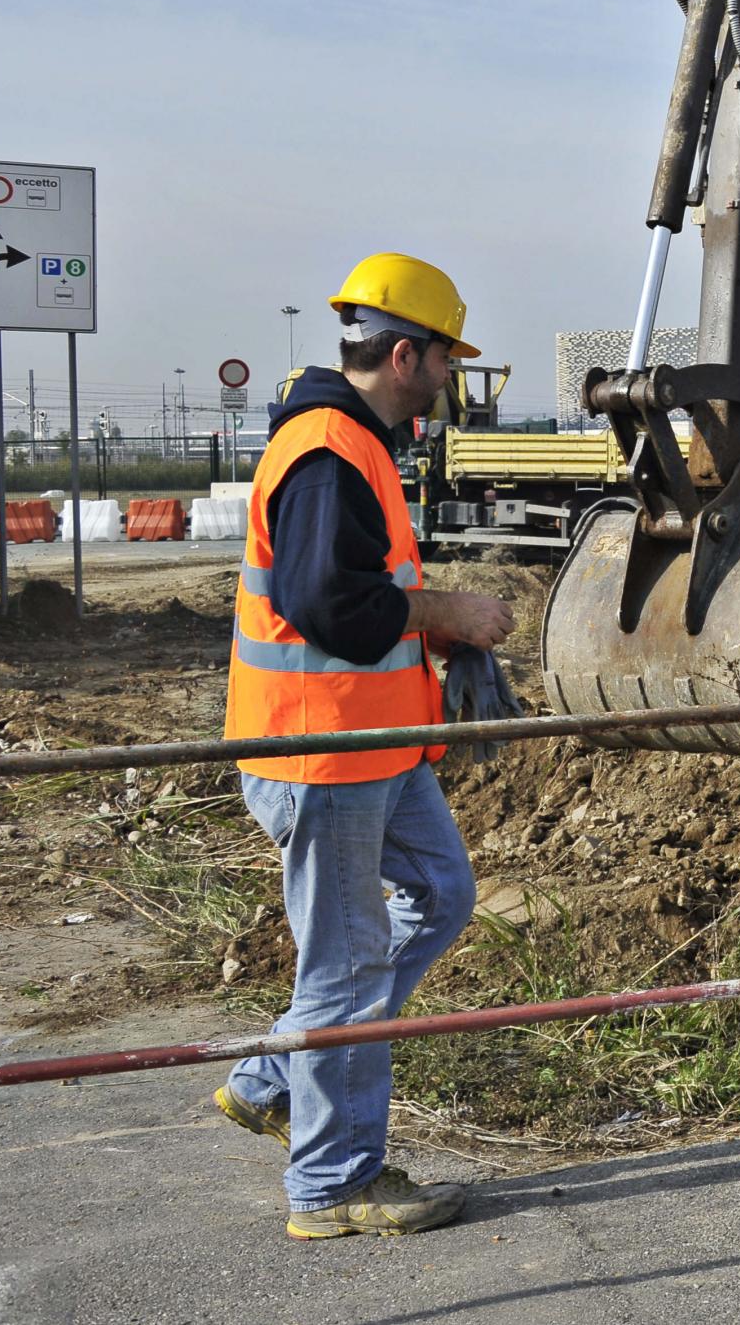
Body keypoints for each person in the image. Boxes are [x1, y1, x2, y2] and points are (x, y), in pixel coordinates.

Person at [213, 252, 516, 1239]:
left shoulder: (362, 443)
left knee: (441, 892)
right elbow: (326, 603)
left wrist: (431, 627)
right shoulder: (330, 449)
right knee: (345, 965)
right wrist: (447, 610)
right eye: (443, 357)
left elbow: (352, 594)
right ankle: (334, 1182)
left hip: (373, 747)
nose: (449, 375)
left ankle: (273, 1078)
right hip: (324, 752)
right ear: (403, 352)